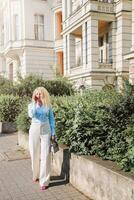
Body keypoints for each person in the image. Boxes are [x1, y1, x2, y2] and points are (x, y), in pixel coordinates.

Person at [28, 87, 55, 191]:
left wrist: (53, 132)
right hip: (34, 129)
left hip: (46, 130)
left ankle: (44, 181)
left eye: (40, 94)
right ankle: (35, 175)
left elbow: (52, 119)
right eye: (37, 94)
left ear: (44, 95)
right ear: (35, 95)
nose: (39, 96)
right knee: (34, 153)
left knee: (46, 155)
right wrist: (35, 104)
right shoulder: (31, 105)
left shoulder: (48, 106)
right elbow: (31, 115)